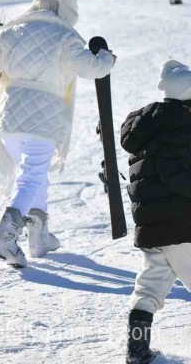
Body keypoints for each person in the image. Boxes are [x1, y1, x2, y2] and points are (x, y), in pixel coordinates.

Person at [0, 0, 116, 267]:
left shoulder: (13, 30)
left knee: (34, 175)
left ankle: (40, 237)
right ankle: (5, 236)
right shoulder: (66, 36)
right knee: (32, 176)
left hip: (9, 119)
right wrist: (107, 59)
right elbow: (92, 68)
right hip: (44, 119)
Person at [119, 60, 191, 364]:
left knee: (148, 289)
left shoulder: (146, 127)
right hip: (183, 226)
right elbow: (180, 178)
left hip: (151, 226)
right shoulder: (182, 127)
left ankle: (137, 352)